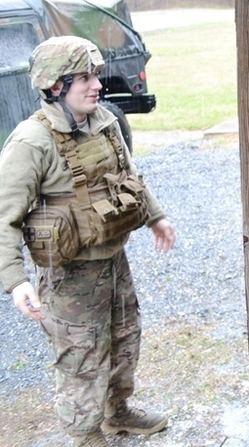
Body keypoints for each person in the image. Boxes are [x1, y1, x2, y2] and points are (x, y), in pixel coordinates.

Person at [0, 36, 176, 447]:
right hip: (69, 274)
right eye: (83, 77)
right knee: (80, 357)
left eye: (95, 75)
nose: (96, 85)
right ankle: (84, 435)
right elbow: (3, 217)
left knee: (124, 336)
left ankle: (117, 412)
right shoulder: (32, 142)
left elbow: (130, 178)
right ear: (55, 86)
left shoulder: (105, 122)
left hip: (114, 260)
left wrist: (156, 217)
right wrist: (16, 281)